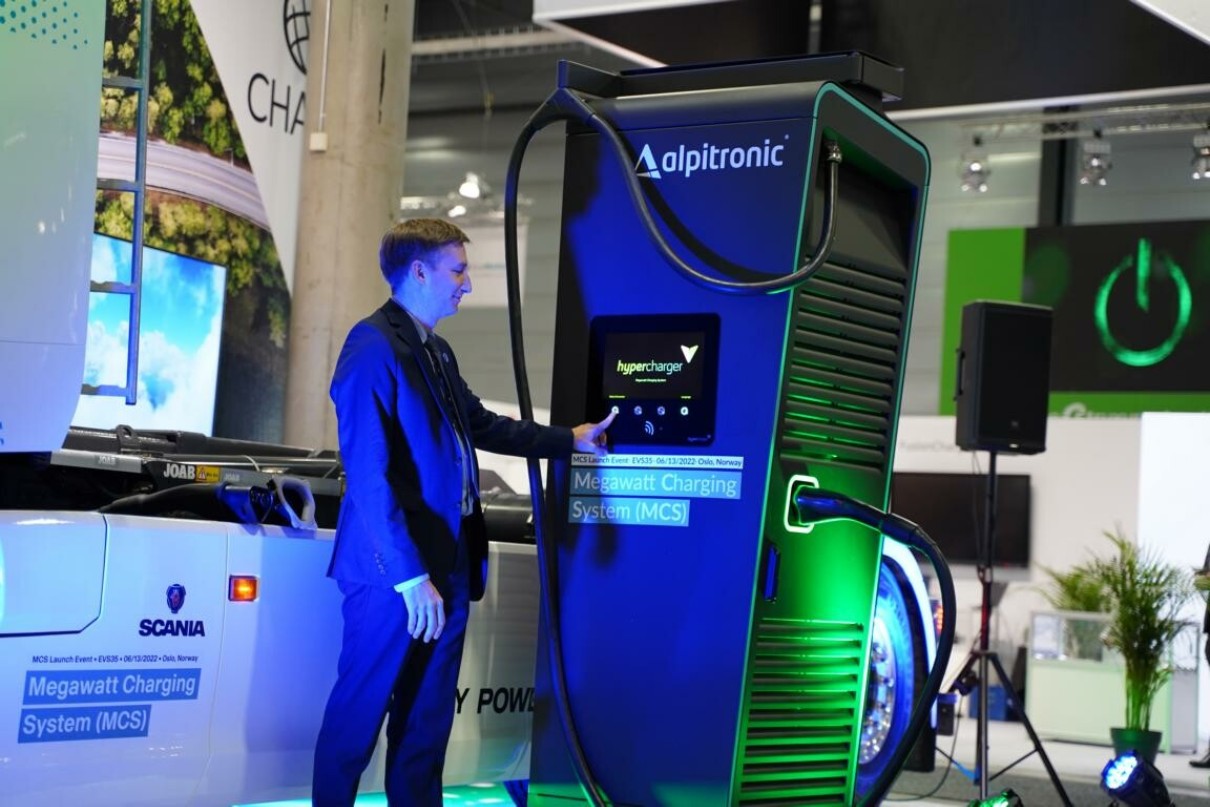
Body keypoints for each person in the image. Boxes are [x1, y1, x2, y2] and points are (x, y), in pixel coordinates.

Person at [312, 218, 616, 805]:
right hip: (391, 575)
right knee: (357, 723)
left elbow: (480, 424)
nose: (467, 285)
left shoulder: (437, 351)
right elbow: (369, 477)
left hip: (447, 566)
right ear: (418, 272)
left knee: (426, 729)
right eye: (457, 270)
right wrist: (408, 577)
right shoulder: (371, 346)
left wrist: (568, 439)